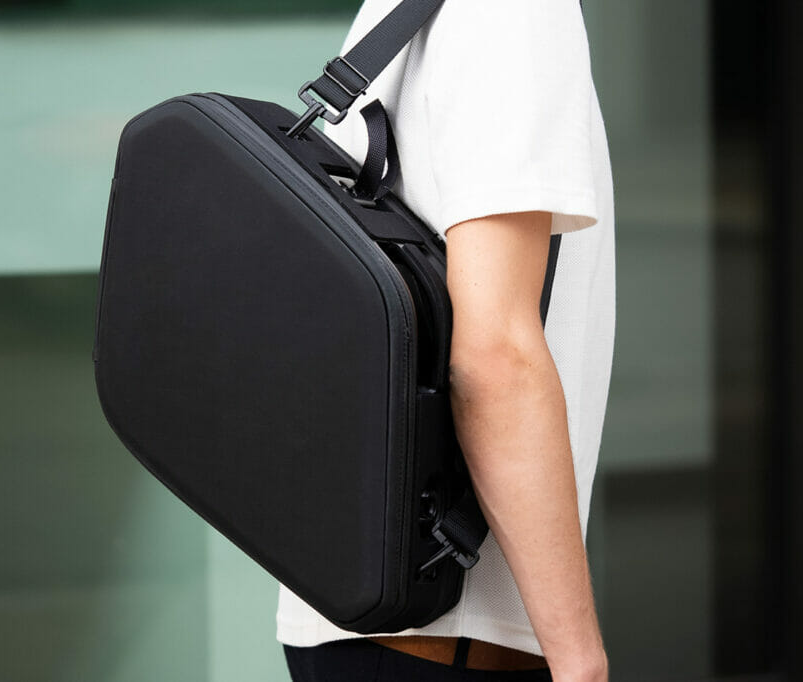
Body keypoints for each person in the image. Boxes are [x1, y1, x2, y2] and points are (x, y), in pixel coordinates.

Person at [277, 0, 615, 680]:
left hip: (362, 611)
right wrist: (579, 660)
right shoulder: (516, 14)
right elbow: (494, 359)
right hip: (448, 633)